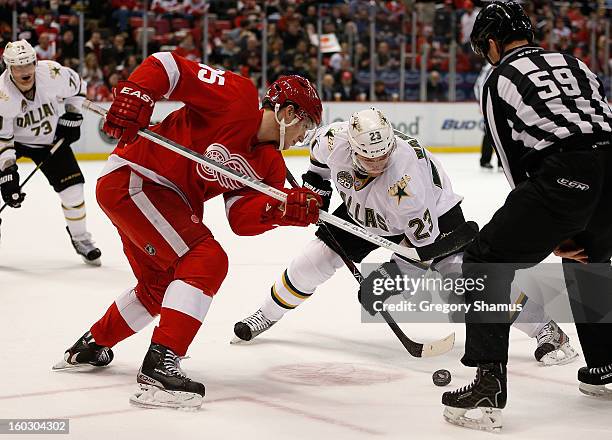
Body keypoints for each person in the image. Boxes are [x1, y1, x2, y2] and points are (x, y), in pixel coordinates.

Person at [53, 51, 324, 410]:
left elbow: (240, 219)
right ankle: (160, 365)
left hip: (163, 200)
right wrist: (139, 93)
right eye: (305, 126)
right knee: (206, 259)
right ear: (289, 112)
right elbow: (168, 66)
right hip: (137, 178)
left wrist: (282, 210)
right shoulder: (237, 95)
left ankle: (91, 346)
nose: (303, 137)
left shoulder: (270, 165)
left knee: (158, 288)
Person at [232, 107, 577, 368]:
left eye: (385, 155)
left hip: (434, 222)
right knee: (313, 261)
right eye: (370, 157)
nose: (379, 163)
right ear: (352, 148)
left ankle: (547, 330)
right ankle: (265, 314)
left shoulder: (407, 186)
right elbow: (318, 160)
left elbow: (419, 253)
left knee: (466, 281)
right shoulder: (333, 139)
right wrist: (318, 191)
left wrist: (386, 280)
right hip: (363, 212)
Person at [442, 1, 612, 432]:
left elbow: (513, 162)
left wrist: (550, 222)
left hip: (565, 174)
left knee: (483, 261)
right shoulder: (575, 61)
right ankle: (607, 367)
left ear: (493, 43)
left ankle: (488, 383)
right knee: (590, 262)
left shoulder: (499, 78)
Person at [0, 40, 102, 265]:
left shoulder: (52, 73)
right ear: (8, 67)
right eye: (18, 66)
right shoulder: (1, 95)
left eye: (29, 64)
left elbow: (78, 88)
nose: (26, 71)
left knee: (74, 190)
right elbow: (3, 139)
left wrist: (73, 114)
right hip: (14, 144)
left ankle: (81, 239)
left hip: (50, 141)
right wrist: (8, 172)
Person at [473, 62, 500, 170]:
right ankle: (485, 160)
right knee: (489, 133)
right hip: (491, 104)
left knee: (502, 132)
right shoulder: (491, 66)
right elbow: (479, 85)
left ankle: (500, 162)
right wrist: (482, 103)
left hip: (500, 102)